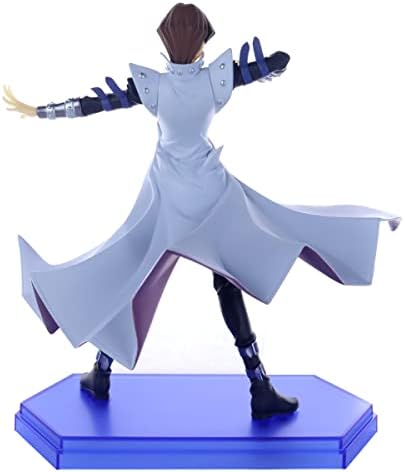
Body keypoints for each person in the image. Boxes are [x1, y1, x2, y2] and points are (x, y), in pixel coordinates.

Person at [4, 3, 400, 421]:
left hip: (168, 199)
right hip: (209, 196)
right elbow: (275, 61)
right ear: (202, 44)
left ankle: (102, 373)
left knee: (133, 274)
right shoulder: (215, 80)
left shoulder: (154, 86)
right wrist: (266, 68)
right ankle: (258, 385)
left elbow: (97, 104)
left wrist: (40, 111)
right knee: (222, 279)